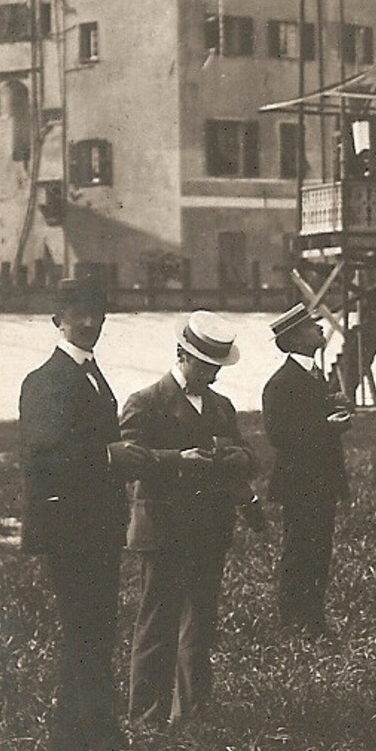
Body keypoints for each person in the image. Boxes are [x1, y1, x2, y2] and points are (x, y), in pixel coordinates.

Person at [18, 278, 148, 751]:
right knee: (86, 629)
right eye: (80, 315)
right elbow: (43, 458)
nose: (91, 324)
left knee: (95, 628)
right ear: (57, 320)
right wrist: (110, 457)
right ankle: (103, 738)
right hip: (68, 528)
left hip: (97, 525)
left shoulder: (92, 374)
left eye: (97, 315)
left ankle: (69, 738)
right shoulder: (45, 380)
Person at [120, 311, 257, 726]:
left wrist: (239, 457)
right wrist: (179, 461)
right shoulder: (144, 403)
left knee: (200, 624)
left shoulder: (221, 406)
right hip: (163, 531)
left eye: (217, 366)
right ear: (182, 355)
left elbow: (249, 456)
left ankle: (193, 713)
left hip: (209, 530)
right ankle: (146, 718)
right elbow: (127, 462)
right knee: (156, 626)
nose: (213, 373)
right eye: (205, 364)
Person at [262, 303, 352, 637]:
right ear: (295, 338)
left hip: (320, 481)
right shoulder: (282, 382)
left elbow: (305, 419)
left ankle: (312, 618)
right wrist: (329, 426)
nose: (319, 330)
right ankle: (294, 621)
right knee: (300, 551)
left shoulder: (314, 375)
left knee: (319, 551)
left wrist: (333, 409)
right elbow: (280, 435)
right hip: (300, 483)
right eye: (312, 326)